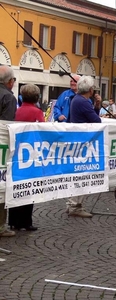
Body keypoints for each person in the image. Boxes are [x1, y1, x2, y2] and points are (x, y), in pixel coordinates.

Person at [8, 84, 44, 231]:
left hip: (16, 153)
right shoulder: (37, 112)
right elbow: (43, 131)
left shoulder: (17, 111)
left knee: (15, 187)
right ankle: (25, 222)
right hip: (31, 154)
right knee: (29, 188)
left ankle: (13, 221)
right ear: (36, 97)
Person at [66, 76, 102, 217]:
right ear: (90, 90)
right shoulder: (83, 102)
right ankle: (75, 205)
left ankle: (72, 204)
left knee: (77, 174)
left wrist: (96, 106)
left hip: (79, 140)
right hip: (82, 142)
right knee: (80, 175)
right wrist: (96, 107)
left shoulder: (78, 100)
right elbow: (96, 120)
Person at [0, 65, 17, 237]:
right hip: (1, 148)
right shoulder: (9, 98)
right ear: (10, 82)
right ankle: (0, 226)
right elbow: (7, 126)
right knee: (1, 185)